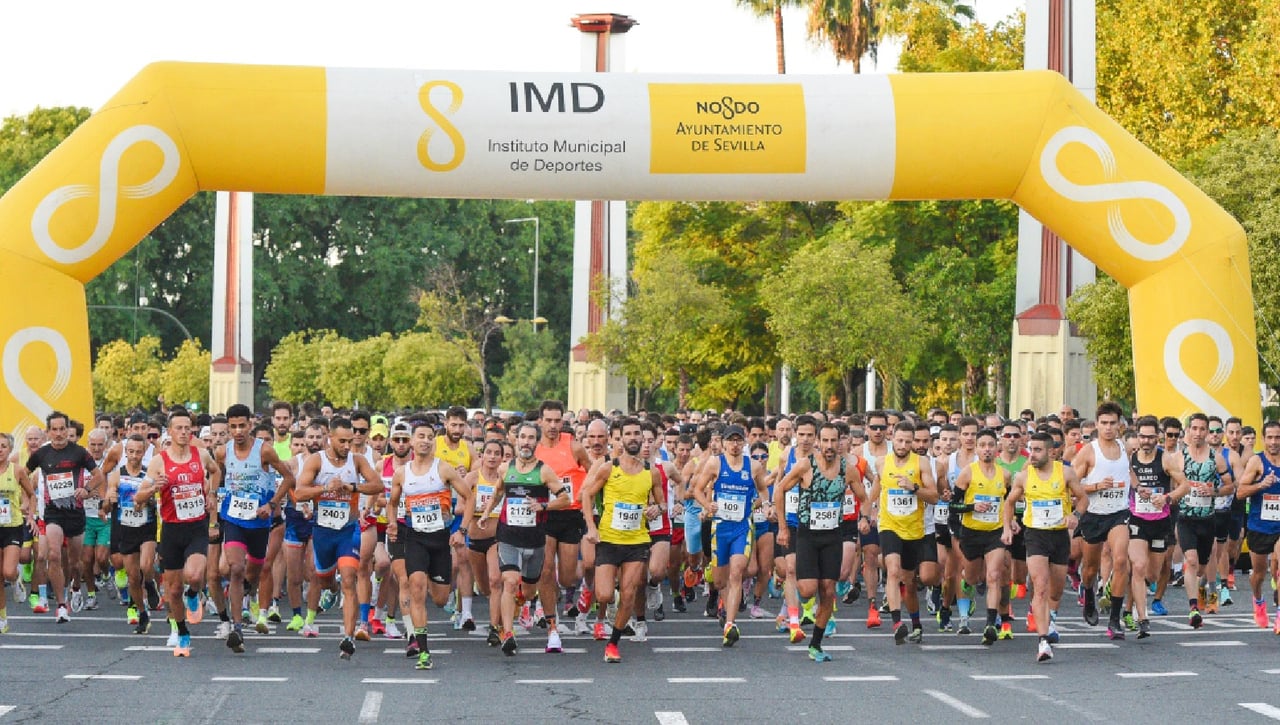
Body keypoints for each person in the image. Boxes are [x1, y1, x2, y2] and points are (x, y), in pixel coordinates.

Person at [476, 422, 571, 656]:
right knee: (509, 581)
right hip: (508, 535)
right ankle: (508, 633)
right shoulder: (505, 468)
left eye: (531, 438)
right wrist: (487, 514)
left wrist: (543, 505)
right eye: (522, 437)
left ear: (536, 443)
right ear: (516, 440)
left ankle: (523, 600)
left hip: (535, 539)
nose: (526, 442)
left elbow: (566, 499)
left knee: (528, 591)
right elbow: (498, 491)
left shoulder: (544, 471)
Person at [293, 417, 384, 659]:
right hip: (323, 531)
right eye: (341, 441)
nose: (346, 445)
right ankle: (329, 590)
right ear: (330, 439)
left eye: (350, 440)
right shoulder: (317, 461)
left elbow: (377, 486)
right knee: (324, 580)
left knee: (349, 578)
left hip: (348, 530)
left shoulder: (357, 461)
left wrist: (353, 488)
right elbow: (299, 493)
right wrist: (324, 489)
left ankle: (348, 637)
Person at [775, 423, 866, 662]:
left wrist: (866, 516)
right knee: (807, 590)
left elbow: (864, 497)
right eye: (824, 441)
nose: (828, 446)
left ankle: (816, 643)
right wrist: (783, 528)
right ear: (818, 441)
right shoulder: (806, 466)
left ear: (840, 442)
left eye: (833, 441)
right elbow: (779, 490)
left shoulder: (848, 469)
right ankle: (795, 599)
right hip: (807, 535)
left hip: (832, 536)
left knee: (828, 589)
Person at [386, 419, 472, 670]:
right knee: (416, 587)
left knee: (439, 598)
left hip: (439, 539)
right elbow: (391, 502)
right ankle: (423, 650)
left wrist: (462, 531)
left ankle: (447, 596)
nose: (424, 440)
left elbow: (468, 497)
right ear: (412, 441)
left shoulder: (443, 469)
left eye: (429, 436)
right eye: (420, 436)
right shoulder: (402, 473)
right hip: (414, 537)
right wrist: (392, 524)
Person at [136, 409, 222, 657]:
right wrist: (154, 487)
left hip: (196, 526)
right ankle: (182, 633)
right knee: (173, 590)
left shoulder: (202, 455)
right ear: (170, 432)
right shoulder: (159, 461)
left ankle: (194, 594)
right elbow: (138, 499)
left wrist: (211, 494)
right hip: (171, 530)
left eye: (188, 428)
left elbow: (215, 472)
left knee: (194, 575)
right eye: (179, 428)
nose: (184, 432)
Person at [581, 418, 666, 663]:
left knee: (629, 593)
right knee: (605, 594)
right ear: (620, 439)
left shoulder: (652, 473)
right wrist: (590, 526)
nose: (632, 438)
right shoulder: (609, 468)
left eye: (636, 433)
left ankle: (613, 643)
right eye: (627, 434)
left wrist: (656, 510)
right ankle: (608, 610)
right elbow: (587, 494)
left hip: (637, 541)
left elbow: (662, 503)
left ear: (642, 438)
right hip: (608, 539)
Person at [218, 404, 296, 653]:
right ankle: (237, 628)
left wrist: (271, 504)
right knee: (236, 568)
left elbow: (288, 478)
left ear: (250, 425)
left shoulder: (264, 451)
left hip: (259, 520)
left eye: (242, 425)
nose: (238, 431)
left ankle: (247, 593)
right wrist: (212, 495)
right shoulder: (223, 451)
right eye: (233, 426)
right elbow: (217, 476)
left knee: (254, 570)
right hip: (233, 518)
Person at [1003, 432, 1087, 662]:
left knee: (1056, 590)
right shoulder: (1023, 476)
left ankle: (1048, 616)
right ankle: (1043, 641)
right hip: (1035, 535)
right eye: (1031, 449)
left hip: (1059, 536)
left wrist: (1075, 515)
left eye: (1038, 449)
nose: (1033, 454)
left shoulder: (1066, 473)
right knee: (1039, 586)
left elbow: (1083, 498)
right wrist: (1007, 527)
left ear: (1051, 452)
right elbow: (1009, 502)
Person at [692, 424, 771, 646]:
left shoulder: (754, 466)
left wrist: (757, 505)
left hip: (742, 528)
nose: (734, 445)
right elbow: (697, 489)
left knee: (736, 573)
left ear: (744, 442)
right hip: (720, 528)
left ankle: (730, 623)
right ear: (724, 443)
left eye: (738, 440)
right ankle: (724, 605)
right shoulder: (715, 463)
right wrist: (708, 505)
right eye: (730, 440)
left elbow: (763, 490)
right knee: (719, 581)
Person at [25, 411, 105, 624]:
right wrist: (28, 499)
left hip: (75, 513)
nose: (59, 433)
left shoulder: (79, 452)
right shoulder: (41, 454)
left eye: (62, 429)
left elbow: (99, 475)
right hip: (53, 513)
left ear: (67, 430)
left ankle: (76, 587)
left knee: (76, 562)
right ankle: (61, 606)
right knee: (53, 555)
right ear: (48, 431)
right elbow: (23, 474)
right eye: (55, 429)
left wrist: (86, 490)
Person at [1072, 402, 1134, 638]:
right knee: (1090, 569)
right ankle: (1088, 593)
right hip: (1093, 514)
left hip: (1118, 513)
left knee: (1121, 561)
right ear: (1097, 424)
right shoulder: (1089, 451)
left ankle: (1114, 620)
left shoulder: (1124, 448)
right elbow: (1073, 486)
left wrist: (1144, 491)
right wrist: (1097, 486)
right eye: (1104, 423)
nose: (1108, 428)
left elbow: (1129, 473)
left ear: (1120, 425)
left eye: (1112, 423)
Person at [1127, 415, 1190, 639]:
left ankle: (1131, 599)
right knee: (1139, 566)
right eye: (1142, 436)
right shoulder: (1130, 458)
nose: (1146, 441)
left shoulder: (1166, 460)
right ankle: (1143, 619)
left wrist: (1167, 498)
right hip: (1136, 520)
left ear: (1158, 437)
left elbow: (1185, 486)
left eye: (1151, 437)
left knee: (1152, 575)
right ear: (1137, 436)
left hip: (1160, 522)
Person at [949, 428, 1011, 645]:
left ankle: (989, 625)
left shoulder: (1005, 475)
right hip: (971, 533)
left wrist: (1010, 523)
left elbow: (1011, 503)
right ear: (976, 449)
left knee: (994, 575)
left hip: (995, 532)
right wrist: (971, 506)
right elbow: (953, 506)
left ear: (997, 448)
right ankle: (968, 585)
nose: (987, 449)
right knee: (973, 577)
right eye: (982, 445)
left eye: (991, 445)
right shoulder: (968, 472)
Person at [105, 434, 160, 635]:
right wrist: (109, 499)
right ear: (125, 452)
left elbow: (157, 498)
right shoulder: (117, 475)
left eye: (138, 451)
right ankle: (143, 614)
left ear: (144, 452)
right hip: (126, 527)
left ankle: (150, 583)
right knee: (132, 577)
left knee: (146, 566)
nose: (134, 455)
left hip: (146, 526)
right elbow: (107, 501)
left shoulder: (149, 474)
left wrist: (150, 500)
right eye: (131, 451)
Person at [1234, 421, 1280, 631]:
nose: (1273, 442)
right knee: (1259, 574)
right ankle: (1259, 600)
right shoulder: (1256, 462)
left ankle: (1279, 613)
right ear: (1263, 439)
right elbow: (1240, 492)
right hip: (1259, 526)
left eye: (1277, 437)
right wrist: (1261, 485)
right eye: (1269, 437)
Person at [0, 433, 37, 634]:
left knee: (8, 571)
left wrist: (29, 514)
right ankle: (2, 618)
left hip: (12, 525)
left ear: (9, 449)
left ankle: (16, 581)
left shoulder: (17, 471)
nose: (0, 450)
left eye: (3, 446)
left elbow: (31, 495)